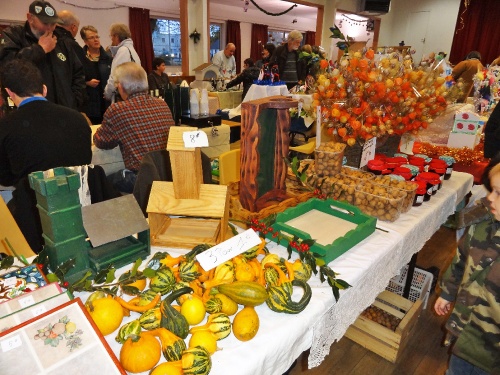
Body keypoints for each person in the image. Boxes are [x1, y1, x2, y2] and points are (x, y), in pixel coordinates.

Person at [0, 59, 91, 253]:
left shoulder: (6, 127)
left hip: (35, 219)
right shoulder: (78, 119)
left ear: (9, 93)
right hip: (82, 209)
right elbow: (86, 161)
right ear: (44, 89)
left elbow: (6, 177)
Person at [434, 155, 500, 375]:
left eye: (499, 193)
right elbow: (462, 258)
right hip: (465, 331)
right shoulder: (483, 220)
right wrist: (448, 292)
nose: (490, 198)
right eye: (492, 189)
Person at [94, 62, 174, 194]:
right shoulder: (162, 104)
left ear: (120, 86)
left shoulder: (117, 110)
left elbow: (101, 142)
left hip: (142, 179)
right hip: (168, 174)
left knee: (101, 181)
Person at [0, 0, 86, 111]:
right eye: (45, 23)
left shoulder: (63, 42)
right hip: (27, 113)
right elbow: (8, 67)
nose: (50, 28)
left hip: (62, 112)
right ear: (30, 18)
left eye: (53, 24)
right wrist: (40, 49)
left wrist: (74, 101)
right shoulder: (13, 35)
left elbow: (78, 74)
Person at [80, 25, 112, 124]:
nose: (96, 40)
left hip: (106, 103)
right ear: (85, 41)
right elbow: (72, 78)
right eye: (92, 38)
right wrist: (86, 82)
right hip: (89, 104)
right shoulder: (80, 58)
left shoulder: (108, 58)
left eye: (97, 37)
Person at [103, 23, 141, 102]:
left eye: (111, 36)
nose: (111, 39)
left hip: (123, 96)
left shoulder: (123, 51)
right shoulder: (132, 50)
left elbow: (115, 76)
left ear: (116, 36)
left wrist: (107, 93)